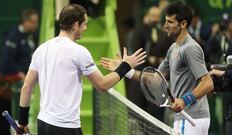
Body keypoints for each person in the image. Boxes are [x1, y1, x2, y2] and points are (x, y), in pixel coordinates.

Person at [17, 4, 146, 135]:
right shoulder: (79, 52)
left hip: (44, 124)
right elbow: (102, 85)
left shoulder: (41, 49)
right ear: (76, 25)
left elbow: (27, 87)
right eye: (84, 24)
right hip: (66, 128)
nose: (86, 28)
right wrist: (125, 66)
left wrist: (22, 123)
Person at [100, 1, 214, 135]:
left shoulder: (190, 48)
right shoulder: (173, 48)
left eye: (170, 22)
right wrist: (125, 69)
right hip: (186, 118)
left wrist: (184, 100)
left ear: (183, 24)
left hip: (191, 118)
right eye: (165, 21)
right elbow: (155, 79)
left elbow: (207, 83)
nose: (165, 26)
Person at [0, 9, 39, 135]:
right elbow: (7, 61)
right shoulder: (13, 36)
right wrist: (20, 75)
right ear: (24, 21)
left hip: (27, 83)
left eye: (36, 22)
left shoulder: (32, 36)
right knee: (14, 117)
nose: (35, 25)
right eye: (32, 22)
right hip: (13, 86)